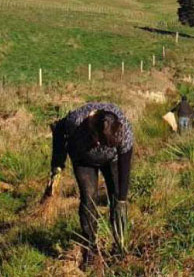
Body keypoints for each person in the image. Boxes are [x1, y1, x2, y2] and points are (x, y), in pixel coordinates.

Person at [50, 102, 133, 268]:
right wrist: (57, 165)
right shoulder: (76, 120)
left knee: (117, 200)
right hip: (83, 160)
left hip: (113, 161)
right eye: (98, 141)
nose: (98, 146)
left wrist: (122, 199)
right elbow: (59, 129)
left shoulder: (125, 131)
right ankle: (90, 247)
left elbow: (125, 165)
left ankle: (120, 244)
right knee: (89, 200)